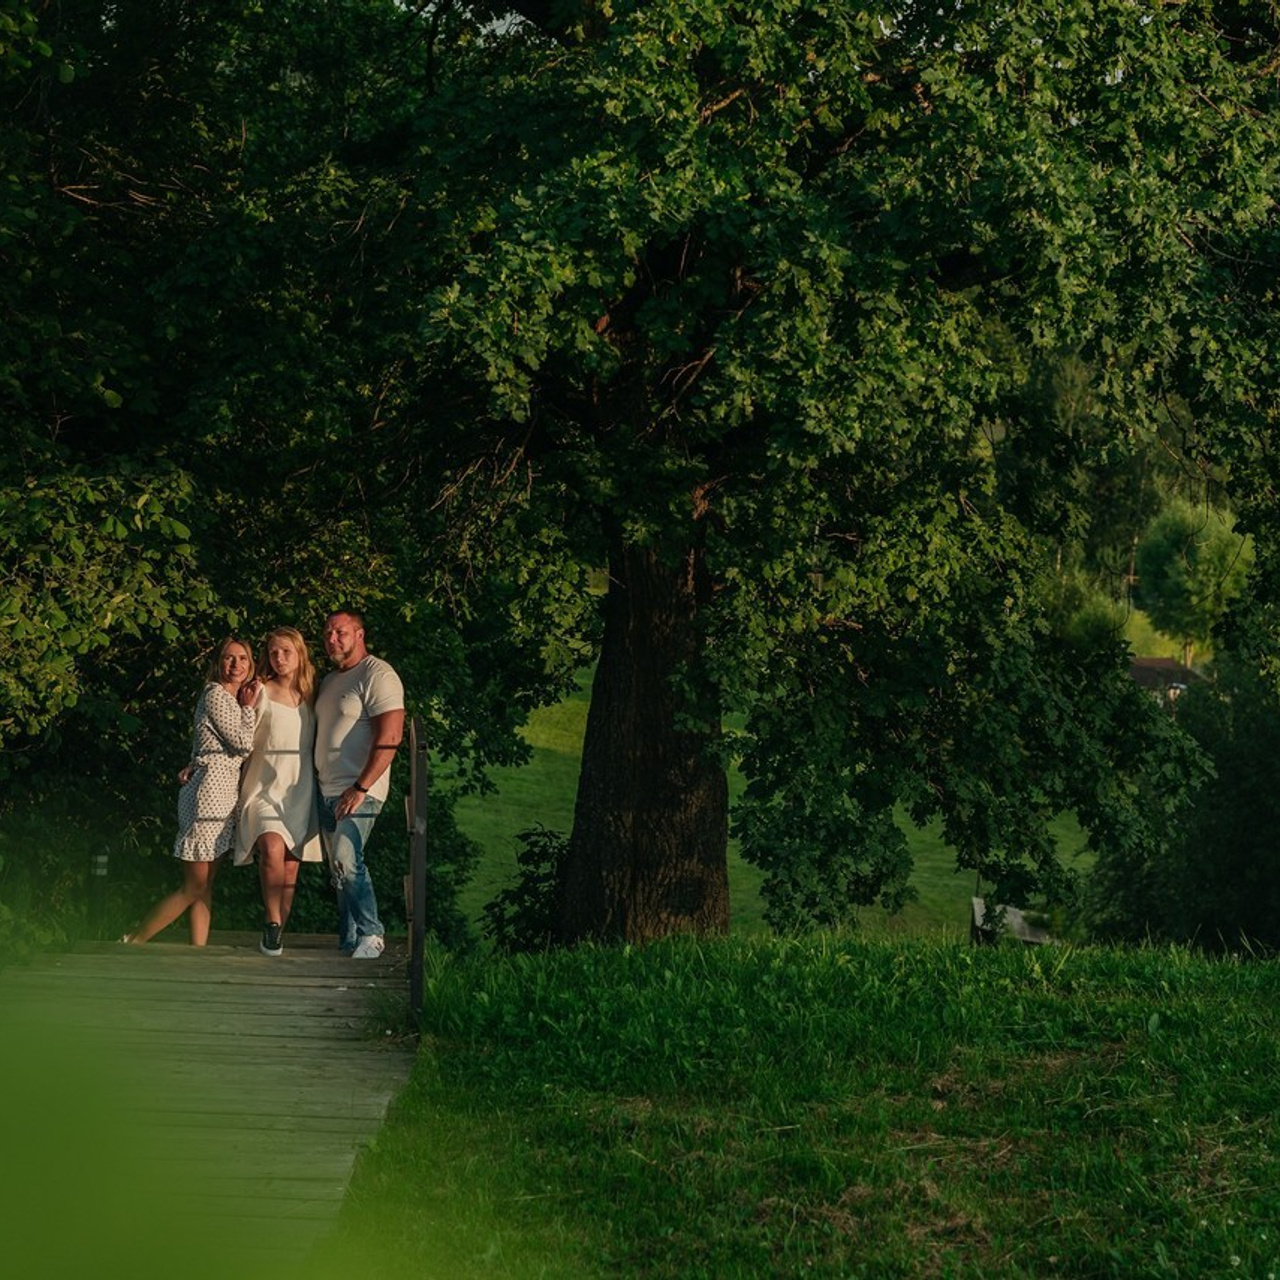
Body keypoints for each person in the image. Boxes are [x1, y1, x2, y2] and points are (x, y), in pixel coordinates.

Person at [125, 637, 257, 945]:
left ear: (250, 665)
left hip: (224, 797)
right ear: (217, 663)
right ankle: (135, 940)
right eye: (228, 658)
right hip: (208, 795)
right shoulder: (215, 695)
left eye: (242, 658)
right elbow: (242, 743)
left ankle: (198, 951)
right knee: (194, 886)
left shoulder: (233, 698)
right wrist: (249, 709)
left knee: (206, 885)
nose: (235, 664)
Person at [314, 609, 404, 959]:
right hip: (327, 788)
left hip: (360, 789)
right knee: (339, 872)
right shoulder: (329, 680)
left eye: (340, 632)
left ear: (360, 633)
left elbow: (391, 735)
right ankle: (349, 940)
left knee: (346, 859)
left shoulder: (377, 674)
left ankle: (372, 934)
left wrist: (361, 787)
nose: (332, 639)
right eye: (327, 634)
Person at [233, 626, 323, 957]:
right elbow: (238, 737)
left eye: (286, 651)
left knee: (289, 866)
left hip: (298, 792)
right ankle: (271, 923)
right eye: (273, 652)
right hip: (263, 788)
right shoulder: (260, 691)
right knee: (271, 846)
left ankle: (276, 939)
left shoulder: (313, 695)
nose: (279, 658)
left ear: (300, 654)